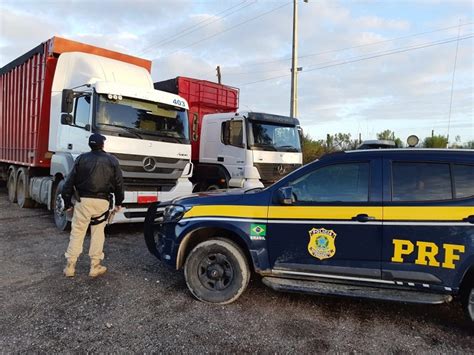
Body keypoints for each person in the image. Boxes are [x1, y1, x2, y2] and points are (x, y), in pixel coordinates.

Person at [62, 133, 124, 278]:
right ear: (102, 144)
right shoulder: (112, 160)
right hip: (102, 202)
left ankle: (70, 266)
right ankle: (95, 266)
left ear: (90, 145)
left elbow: (68, 183)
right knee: (98, 233)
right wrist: (119, 202)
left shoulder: (81, 159)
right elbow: (119, 184)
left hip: (83, 201)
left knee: (77, 232)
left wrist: (67, 203)